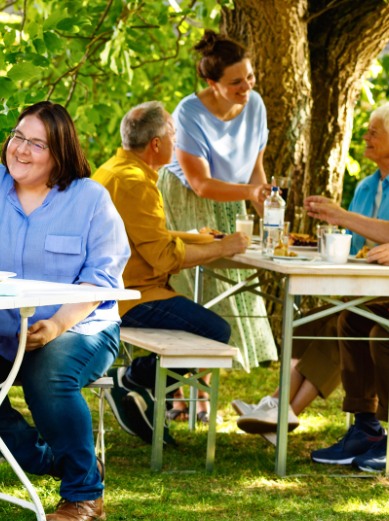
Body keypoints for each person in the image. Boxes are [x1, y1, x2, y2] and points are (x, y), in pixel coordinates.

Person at [0, 101, 130, 521]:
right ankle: (43, 458)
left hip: (76, 325)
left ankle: (83, 495)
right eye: (18, 137)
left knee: (47, 373)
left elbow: (102, 280)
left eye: (36, 144)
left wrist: (55, 324)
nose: (21, 149)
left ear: (60, 154)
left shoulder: (91, 199)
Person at [93, 102, 246, 438]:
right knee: (216, 332)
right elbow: (163, 257)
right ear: (157, 145)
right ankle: (135, 377)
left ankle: (138, 382)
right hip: (129, 296)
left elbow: (148, 237)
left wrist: (202, 239)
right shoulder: (135, 183)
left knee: (202, 325)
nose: (178, 142)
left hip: (116, 286)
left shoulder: (115, 170)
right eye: (174, 135)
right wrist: (224, 248)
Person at [158, 30, 277, 372]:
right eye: (236, 82)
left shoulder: (254, 105)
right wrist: (249, 193)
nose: (247, 86)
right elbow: (200, 183)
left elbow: (256, 172)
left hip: (232, 198)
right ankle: (184, 391)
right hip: (187, 200)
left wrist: (270, 218)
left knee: (228, 287)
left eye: (250, 76)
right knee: (194, 288)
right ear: (213, 83)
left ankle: (203, 376)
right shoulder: (189, 114)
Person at [295, 103, 389, 468]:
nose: (366, 137)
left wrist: (339, 215)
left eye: (374, 131)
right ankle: (366, 428)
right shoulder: (369, 184)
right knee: (349, 319)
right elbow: (355, 242)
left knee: (378, 334)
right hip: (373, 288)